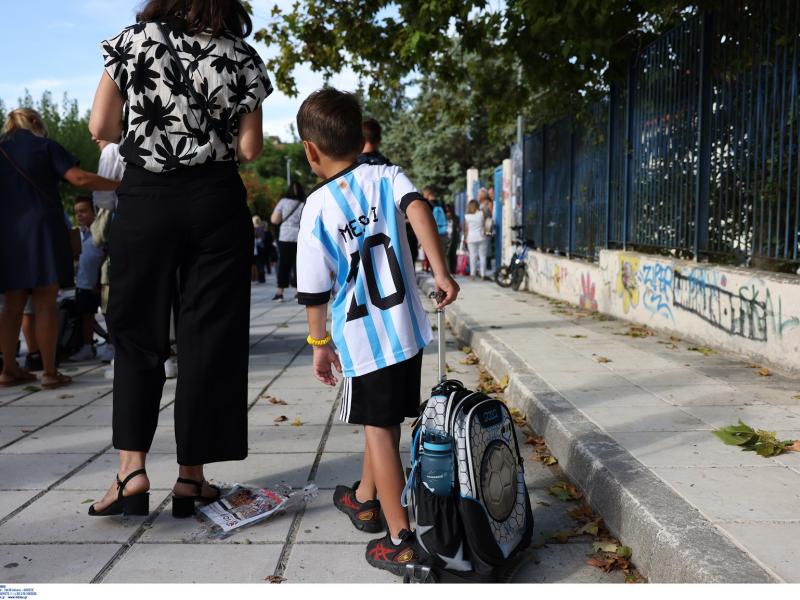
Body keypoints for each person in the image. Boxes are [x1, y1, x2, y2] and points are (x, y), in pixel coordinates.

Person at [86, 0, 272, 518]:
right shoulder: (243, 55)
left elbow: (100, 123)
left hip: (146, 199)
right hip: (216, 201)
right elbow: (251, 149)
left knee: (137, 331)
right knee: (209, 337)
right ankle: (192, 477)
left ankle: (131, 471)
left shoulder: (132, 41)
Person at [294, 88, 459, 576]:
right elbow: (419, 209)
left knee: (379, 430)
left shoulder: (317, 207)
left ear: (310, 150)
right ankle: (365, 499)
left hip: (363, 340)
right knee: (383, 418)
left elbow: (314, 291)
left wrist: (319, 345)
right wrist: (442, 270)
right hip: (405, 331)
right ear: (360, 137)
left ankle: (400, 538)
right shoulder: (387, 176)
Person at [0, 108, 119, 389]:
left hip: (8, 233)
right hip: (42, 229)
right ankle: (50, 372)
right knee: (45, 302)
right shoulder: (44, 146)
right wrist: (120, 183)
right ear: (36, 123)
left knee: (11, 306)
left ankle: (7, 369)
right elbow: (78, 179)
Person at [68, 197, 105, 361]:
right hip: (83, 283)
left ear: (93, 211)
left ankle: (113, 344)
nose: (79, 215)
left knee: (108, 314)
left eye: (83, 211)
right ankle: (87, 346)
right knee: (86, 317)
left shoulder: (101, 231)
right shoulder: (78, 234)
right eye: (77, 212)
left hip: (100, 282)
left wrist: (99, 279)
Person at [270, 181, 305, 301]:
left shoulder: (283, 202)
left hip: (285, 237)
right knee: (298, 265)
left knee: (284, 264)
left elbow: (274, 220)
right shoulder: (304, 203)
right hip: (299, 237)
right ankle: (298, 292)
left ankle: (280, 292)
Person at [463, 199, 487, 280]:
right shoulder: (481, 213)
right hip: (481, 236)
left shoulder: (467, 216)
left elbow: (466, 229)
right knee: (482, 256)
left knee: (473, 256)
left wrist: (465, 238)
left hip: (471, 237)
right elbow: (484, 225)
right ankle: (483, 275)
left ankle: (472, 275)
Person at [423, 185, 448, 257]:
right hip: (443, 231)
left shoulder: (426, 203)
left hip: (432, 232)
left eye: (424, 193)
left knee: (433, 256)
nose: (423, 195)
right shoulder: (441, 203)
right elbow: (446, 216)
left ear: (428, 193)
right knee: (443, 255)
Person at [445, 203, 460, 274]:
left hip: (453, 238)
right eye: (446, 211)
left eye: (449, 210)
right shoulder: (443, 218)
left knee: (453, 254)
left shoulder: (456, 218)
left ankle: (453, 270)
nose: (448, 212)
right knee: (446, 255)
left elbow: (458, 228)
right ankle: (448, 270)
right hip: (445, 238)